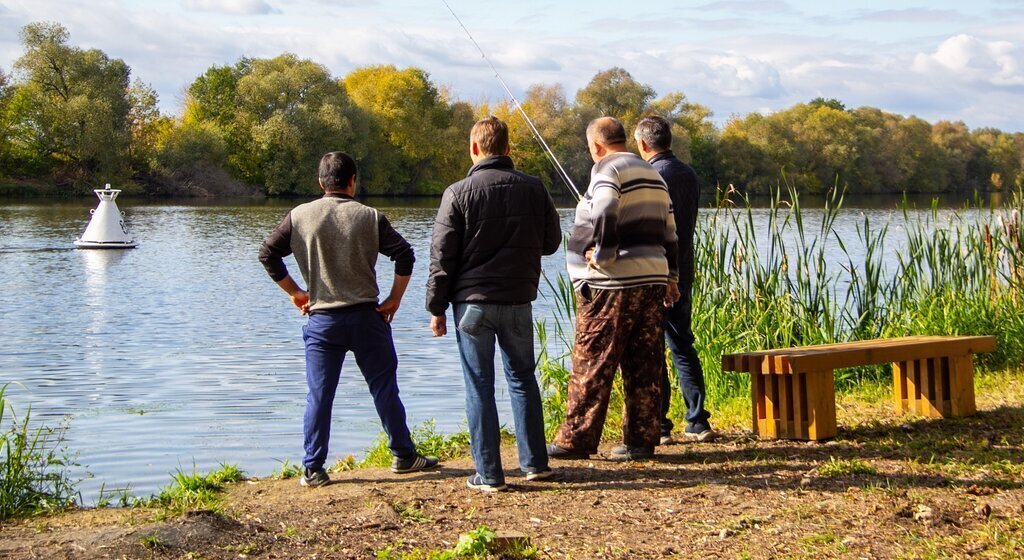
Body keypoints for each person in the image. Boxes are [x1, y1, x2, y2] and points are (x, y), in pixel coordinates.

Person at [259, 151, 439, 488]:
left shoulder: (299, 216)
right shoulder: (369, 216)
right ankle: (403, 455)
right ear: (353, 181)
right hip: (366, 318)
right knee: (384, 387)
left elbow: (267, 253)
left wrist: (296, 293)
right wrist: (394, 300)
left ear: (320, 182)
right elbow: (405, 255)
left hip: (322, 322)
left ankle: (313, 468)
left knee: (320, 395)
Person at [426, 116, 562, 492]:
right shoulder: (535, 189)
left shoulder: (456, 193)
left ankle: (489, 474)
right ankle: (535, 464)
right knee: (522, 379)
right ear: (507, 149)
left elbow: (442, 257)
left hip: (471, 305)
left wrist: (435, 308)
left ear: (474, 149)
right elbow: (551, 242)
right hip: (518, 300)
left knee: (479, 386)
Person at [548, 116, 680, 462]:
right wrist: (671, 277)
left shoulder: (608, 170)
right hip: (652, 279)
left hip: (613, 284)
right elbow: (670, 230)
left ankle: (575, 441)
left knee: (593, 360)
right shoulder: (653, 172)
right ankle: (641, 441)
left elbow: (605, 206)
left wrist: (604, 254)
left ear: (596, 145)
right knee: (644, 362)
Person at [634, 116, 715, 443]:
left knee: (654, 347)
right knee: (682, 344)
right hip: (684, 270)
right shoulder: (688, 174)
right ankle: (697, 421)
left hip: (656, 273)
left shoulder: (650, 176)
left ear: (642, 144)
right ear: (668, 140)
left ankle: (661, 425)